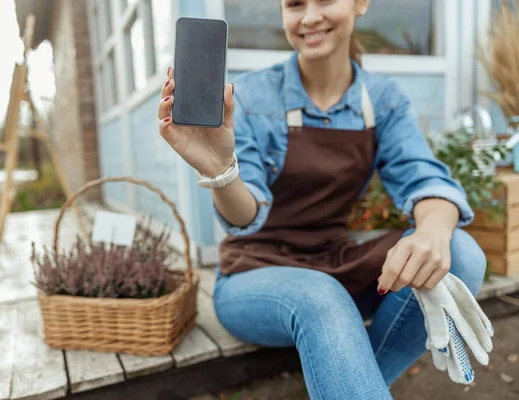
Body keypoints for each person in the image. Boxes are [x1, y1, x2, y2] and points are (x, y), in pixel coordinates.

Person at [157, 0, 486, 398]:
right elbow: (245, 215)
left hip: (335, 260)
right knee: (321, 294)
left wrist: (432, 232)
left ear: (360, 4)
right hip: (254, 273)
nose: (310, 17)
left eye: (325, 0)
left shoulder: (383, 99)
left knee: (460, 252)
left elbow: (424, 176)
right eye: (295, 4)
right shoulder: (252, 96)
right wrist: (220, 170)